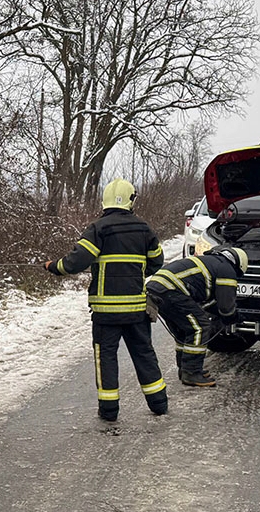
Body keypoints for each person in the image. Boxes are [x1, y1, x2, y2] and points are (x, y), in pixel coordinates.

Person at [45, 179, 168, 421]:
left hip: (105, 313)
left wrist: (53, 267)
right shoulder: (144, 229)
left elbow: (75, 262)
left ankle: (109, 410)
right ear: (131, 200)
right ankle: (159, 403)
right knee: (144, 354)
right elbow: (157, 261)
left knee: (106, 358)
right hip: (136, 310)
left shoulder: (98, 228)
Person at [146, 246, 249, 387]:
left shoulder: (212, 262)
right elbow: (225, 306)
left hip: (157, 289)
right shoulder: (227, 269)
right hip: (172, 290)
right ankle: (192, 372)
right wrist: (232, 317)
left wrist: (223, 314)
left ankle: (185, 369)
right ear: (239, 265)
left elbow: (208, 303)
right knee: (200, 327)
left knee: (184, 330)